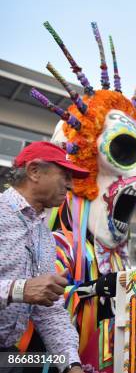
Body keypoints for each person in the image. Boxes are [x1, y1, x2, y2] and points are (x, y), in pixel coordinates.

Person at [0, 141, 89, 373]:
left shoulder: (45, 237)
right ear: (34, 171)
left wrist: (72, 365)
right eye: (65, 175)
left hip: (8, 357)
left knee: (36, 363)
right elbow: (27, 291)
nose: (70, 185)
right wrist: (20, 290)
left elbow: (49, 311)